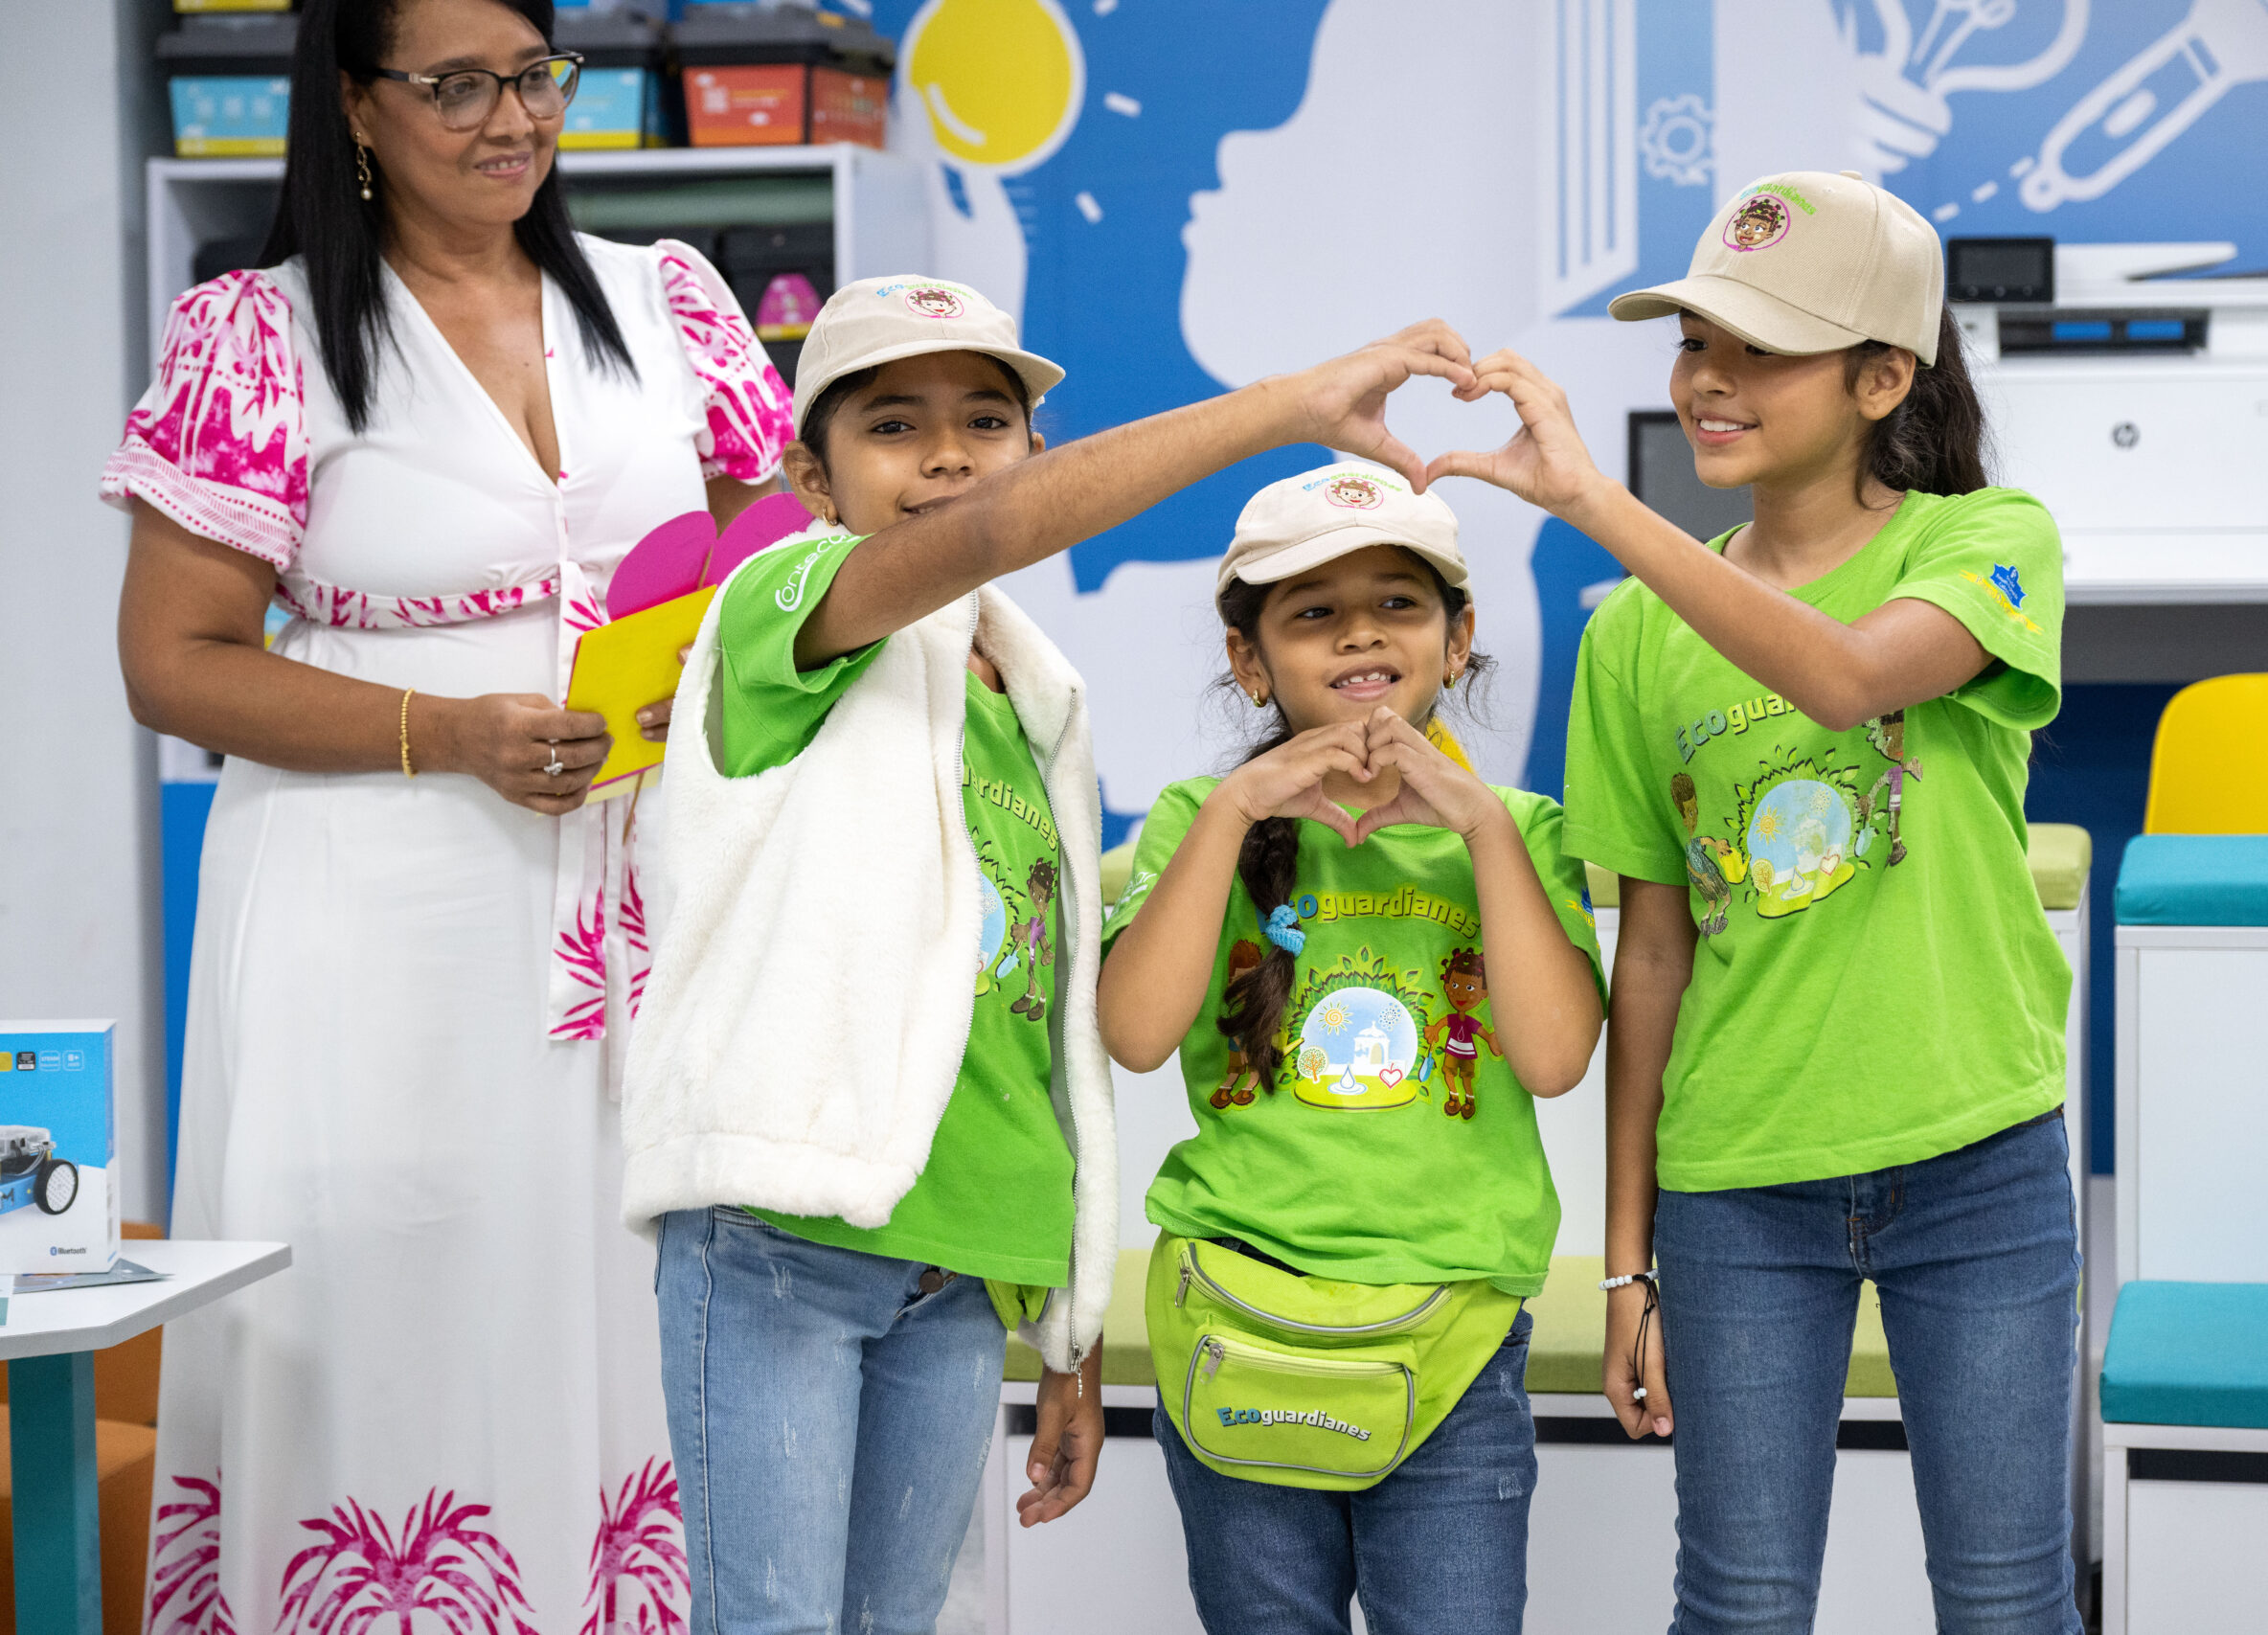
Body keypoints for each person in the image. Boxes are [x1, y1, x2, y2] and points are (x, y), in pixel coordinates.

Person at [623, 305, 1485, 1632]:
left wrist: (1065, 1321)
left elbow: (1038, 1029)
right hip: (783, 1239)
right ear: (811, 476)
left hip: (959, 1270)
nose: (949, 456)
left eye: (985, 421)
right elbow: (980, 535)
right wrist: (1288, 404)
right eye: (893, 424)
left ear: (1035, 439)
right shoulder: (777, 608)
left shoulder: (1033, 694)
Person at [102, 0, 790, 1625]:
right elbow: (171, 663)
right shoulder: (253, 334)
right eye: (456, 86)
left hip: (629, 903)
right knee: (391, 1284)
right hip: (372, 907)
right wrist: (445, 729)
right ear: (351, 105)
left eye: (538, 78)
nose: (512, 120)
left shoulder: (662, 300)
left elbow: (775, 567)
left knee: (626, 1295)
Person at [1433, 170, 2080, 1631]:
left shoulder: (1988, 542)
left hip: (1979, 1160)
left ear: (1882, 377)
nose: (1710, 381)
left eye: (1759, 350)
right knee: (1736, 1604)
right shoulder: (1632, 641)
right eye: (1694, 344)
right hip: (1739, 1192)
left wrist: (1595, 501)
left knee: (2004, 1600)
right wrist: (1626, 1258)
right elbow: (1649, 953)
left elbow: (1846, 677)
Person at [1094, 466, 1607, 1634]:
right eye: (1312, 612)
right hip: (1235, 1310)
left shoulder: (1520, 832)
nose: (1360, 633)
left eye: (1398, 604)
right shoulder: (1191, 820)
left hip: (1457, 1331)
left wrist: (1475, 824)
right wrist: (1235, 812)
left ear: (1459, 638)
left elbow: (1555, 1057)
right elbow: (1133, 1034)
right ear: (1249, 659)